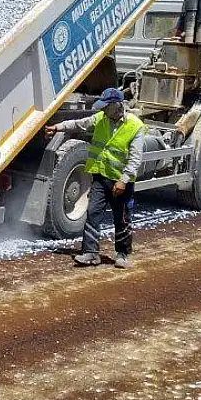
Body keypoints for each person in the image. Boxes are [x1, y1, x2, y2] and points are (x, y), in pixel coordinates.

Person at [45, 88, 146, 268]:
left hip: (121, 182)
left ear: (116, 105)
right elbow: (80, 124)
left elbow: (135, 158)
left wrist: (123, 180)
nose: (102, 109)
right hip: (100, 177)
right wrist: (59, 127)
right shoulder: (101, 118)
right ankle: (91, 253)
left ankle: (122, 254)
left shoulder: (135, 126)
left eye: (105, 106)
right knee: (92, 213)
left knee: (121, 218)